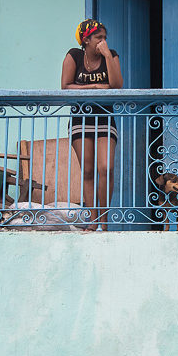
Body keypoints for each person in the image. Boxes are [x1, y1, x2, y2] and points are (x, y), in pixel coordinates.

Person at [61, 19, 123, 231]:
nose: (103, 41)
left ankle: (104, 222)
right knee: (87, 170)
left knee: (106, 167)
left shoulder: (112, 55)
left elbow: (116, 86)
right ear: (86, 39)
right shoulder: (74, 56)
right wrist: (97, 86)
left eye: (105, 37)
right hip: (80, 118)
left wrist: (107, 55)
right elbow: (65, 86)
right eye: (98, 38)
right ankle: (92, 221)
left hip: (105, 117)